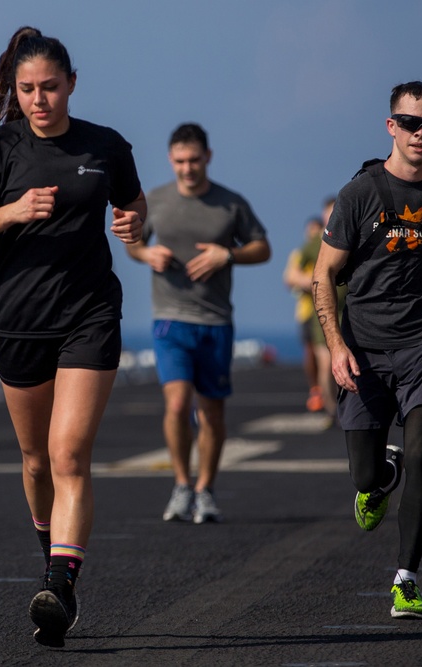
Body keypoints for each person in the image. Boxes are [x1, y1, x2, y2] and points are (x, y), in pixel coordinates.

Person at [0, 26, 145, 647]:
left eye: (50, 87)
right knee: (34, 461)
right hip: (19, 321)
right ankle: (50, 552)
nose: (38, 99)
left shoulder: (106, 146)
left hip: (90, 315)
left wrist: (133, 223)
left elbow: (132, 206)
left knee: (69, 455)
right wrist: (10, 212)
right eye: (27, 89)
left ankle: (59, 584)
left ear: (72, 85)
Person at [311, 81, 422, 620]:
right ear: (391, 126)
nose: (419, 133)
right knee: (365, 478)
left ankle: (406, 577)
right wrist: (336, 346)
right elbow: (324, 274)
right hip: (363, 347)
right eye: (410, 123)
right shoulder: (360, 193)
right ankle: (378, 478)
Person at [126, 123, 271, 525]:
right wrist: (145, 255)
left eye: (194, 160)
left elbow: (263, 248)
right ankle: (181, 484)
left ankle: (205, 489)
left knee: (212, 412)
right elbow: (133, 240)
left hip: (215, 321)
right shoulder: (155, 200)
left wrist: (228, 255)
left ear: (208, 157)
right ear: (171, 161)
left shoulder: (231, 204)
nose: (187, 169)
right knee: (176, 404)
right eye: (179, 162)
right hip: (170, 318)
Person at [283, 215, 327, 412]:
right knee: (310, 351)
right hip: (306, 310)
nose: (312, 234)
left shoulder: (325, 249)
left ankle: (327, 391)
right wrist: (314, 283)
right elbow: (289, 278)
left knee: (324, 352)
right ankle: (316, 389)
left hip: (327, 307)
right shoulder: (301, 252)